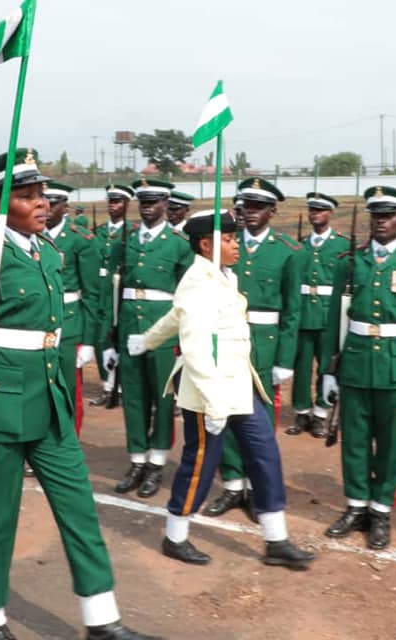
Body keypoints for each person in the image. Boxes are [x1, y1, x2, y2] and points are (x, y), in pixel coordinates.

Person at [0, 151, 158, 640]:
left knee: (79, 509)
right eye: (29, 196)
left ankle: (102, 619)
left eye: (43, 195)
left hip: (50, 402)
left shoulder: (48, 252)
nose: (43, 204)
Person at [129, 210, 315, 569]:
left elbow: (175, 317)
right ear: (205, 244)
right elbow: (196, 347)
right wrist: (214, 405)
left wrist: (149, 340)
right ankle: (175, 536)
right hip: (208, 391)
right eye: (229, 240)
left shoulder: (221, 276)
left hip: (239, 385)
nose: (237, 246)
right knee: (200, 464)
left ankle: (276, 539)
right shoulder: (198, 281)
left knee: (265, 456)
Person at [320, 186, 396, 550]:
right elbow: (334, 320)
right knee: (354, 439)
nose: (381, 222)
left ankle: (381, 510)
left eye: (388, 215)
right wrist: (329, 369)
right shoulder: (349, 261)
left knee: (391, 443)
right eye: (376, 215)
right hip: (356, 360)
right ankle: (356, 506)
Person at [202, 178, 300, 520]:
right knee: (226, 413)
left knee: (260, 420)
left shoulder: (287, 250)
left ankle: (259, 488)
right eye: (244, 205)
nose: (249, 213)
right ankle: (232, 483)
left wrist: (285, 359)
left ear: (272, 211)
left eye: (258, 207)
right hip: (229, 339)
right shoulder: (224, 247)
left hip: (265, 343)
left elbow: (292, 310)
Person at [104, 178, 193, 499]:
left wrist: (183, 340)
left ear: (166, 205)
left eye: (153, 202)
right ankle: (137, 460)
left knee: (163, 398)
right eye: (142, 202)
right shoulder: (126, 241)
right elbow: (112, 291)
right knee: (134, 397)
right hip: (129, 326)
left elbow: (187, 296)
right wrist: (108, 339)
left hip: (164, 329)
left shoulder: (180, 244)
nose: (147, 207)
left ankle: (156, 464)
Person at [44, 180, 101, 436]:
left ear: (64, 206)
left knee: (68, 389)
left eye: (53, 204)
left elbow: (91, 294)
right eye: (43, 202)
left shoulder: (81, 240)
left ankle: (67, 444)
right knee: (41, 388)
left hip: (69, 322)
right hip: (39, 321)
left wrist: (89, 341)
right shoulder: (31, 236)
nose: (46, 208)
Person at [289, 192, 348, 438]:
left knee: (326, 367)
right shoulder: (300, 244)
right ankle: (302, 412)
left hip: (328, 316)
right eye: (312, 210)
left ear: (330, 213)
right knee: (301, 366)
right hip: (303, 314)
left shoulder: (343, 245)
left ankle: (321, 414)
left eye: (321, 210)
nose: (316, 214)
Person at [90, 184, 135, 408]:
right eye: (110, 201)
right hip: (100, 291)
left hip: (119, 292)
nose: (112, 205)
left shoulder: (132, 232)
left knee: (118, 339)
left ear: (126, 205)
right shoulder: (98, 232)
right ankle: (107, 386)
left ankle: (121, 386)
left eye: (117, 202)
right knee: (101, 339)